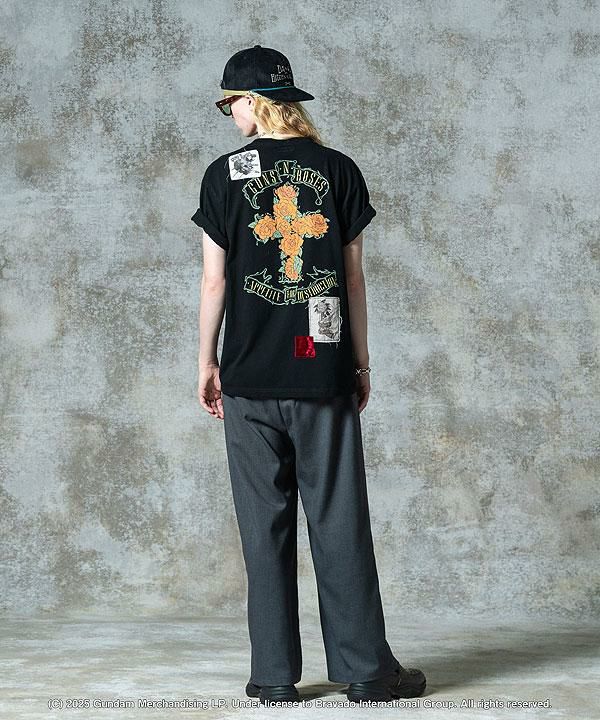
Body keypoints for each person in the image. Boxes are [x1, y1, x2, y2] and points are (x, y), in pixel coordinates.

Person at [191, 44, 426, 706]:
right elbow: (352, 279)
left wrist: (206, 360)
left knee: (262, 530)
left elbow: (214, 282)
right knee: (338, 519)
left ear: (252, 101)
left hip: (248, 378)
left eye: (229, 103)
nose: (229, 114)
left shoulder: (223, 175)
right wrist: (359, 360)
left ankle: (273, 676)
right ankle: (367, 672)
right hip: (321, 371)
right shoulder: (338, 170)